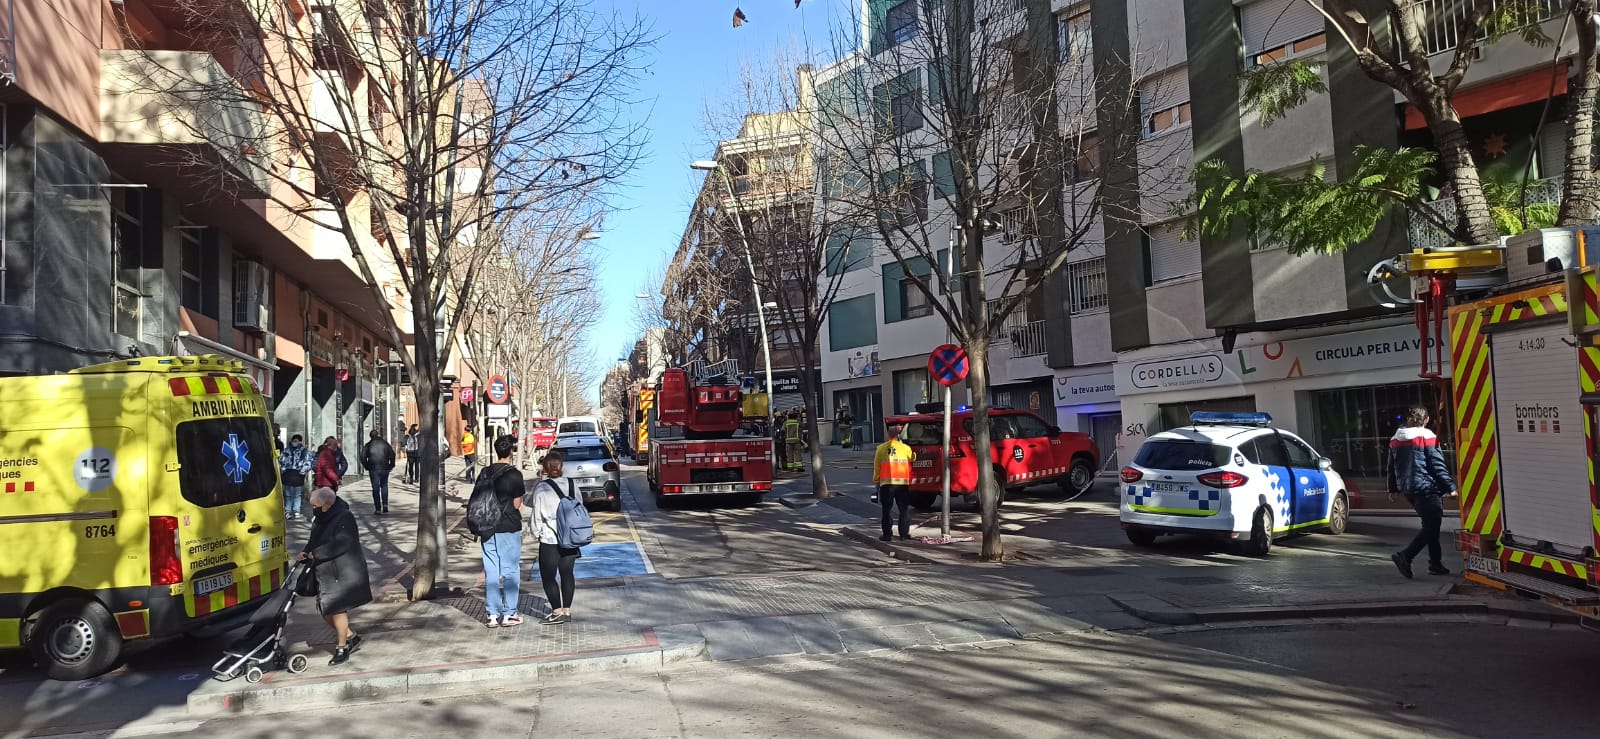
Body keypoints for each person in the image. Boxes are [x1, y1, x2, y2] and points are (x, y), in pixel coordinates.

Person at [300, 487, 372, 665]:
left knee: (337, 608)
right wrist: (306, 551)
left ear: (328, 504)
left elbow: (343, 542)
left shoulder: (344, 517)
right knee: (326, 610)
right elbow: (314, 538)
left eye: (315, 505)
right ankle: (351, 636)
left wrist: (317, 553)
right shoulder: (321, 517)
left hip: (342, 571)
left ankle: (342, 647)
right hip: (325, 570)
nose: (313, 509)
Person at [1389, 404, 1458, 579]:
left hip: (1408, 489)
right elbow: (1437, 465)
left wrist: (1393, 489)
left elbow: (1391, 467)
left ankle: (1435, 564)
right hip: (1426, 487)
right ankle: (1406, 556)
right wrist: (1450, 487)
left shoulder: (1396, 438)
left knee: (1430, 526)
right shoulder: (1427, 436)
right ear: (1426, 420)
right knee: (1431, 527)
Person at [527, 449, 580, 625]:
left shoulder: (542, 488)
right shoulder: (572, 485)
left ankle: (557, 611)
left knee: (548, 576)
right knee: (567, 574)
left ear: (546, 468)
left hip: (550, 539)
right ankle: (567, 610)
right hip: (570, 538)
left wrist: (535, 533)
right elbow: (580, 507)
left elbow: (536, 517)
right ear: (561, 466)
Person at [479, 435, 526, 628]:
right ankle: (509, 614)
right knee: (510, 570)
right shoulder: (515, 475)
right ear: (511, 452)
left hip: (487, 527)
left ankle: (492, 615)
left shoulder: (484, 472)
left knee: (491, 570)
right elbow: (517, 504)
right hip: (508, 527)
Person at [873, 421, 916, 542]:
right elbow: (912, 457)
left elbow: (877, 467)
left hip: (887, 484)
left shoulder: (880, 449)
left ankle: (887, 535)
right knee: (903, 510)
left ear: (888, 435)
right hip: (902, 485)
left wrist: (876, 481)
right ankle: (904, 534)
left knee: (886, 510)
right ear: (898, 436)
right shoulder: (905, 448)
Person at [280, 434, 316, 522]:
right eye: (294, 441)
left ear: (300, 441)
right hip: (288, 473)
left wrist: (302, 471)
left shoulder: (304, 451)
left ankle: (296, 511)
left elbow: (309, 462)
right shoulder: (287, 450)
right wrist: (283, 469)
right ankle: (287, 511)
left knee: (297, 494)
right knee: (288, 494)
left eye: (297, 441)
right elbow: (281, 461)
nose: (295, 443)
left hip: (298, 474)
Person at [361, 430, 396, 515]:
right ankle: (385, 505)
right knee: (384, 486)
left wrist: (367, 466)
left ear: (370, 436)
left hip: (373, 468)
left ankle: (378, 508)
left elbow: (362, 457)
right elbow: (392, 454)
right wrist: (391, 465)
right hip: (384, 468)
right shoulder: (385, 444)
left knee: (375, 488)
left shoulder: (368, 445)